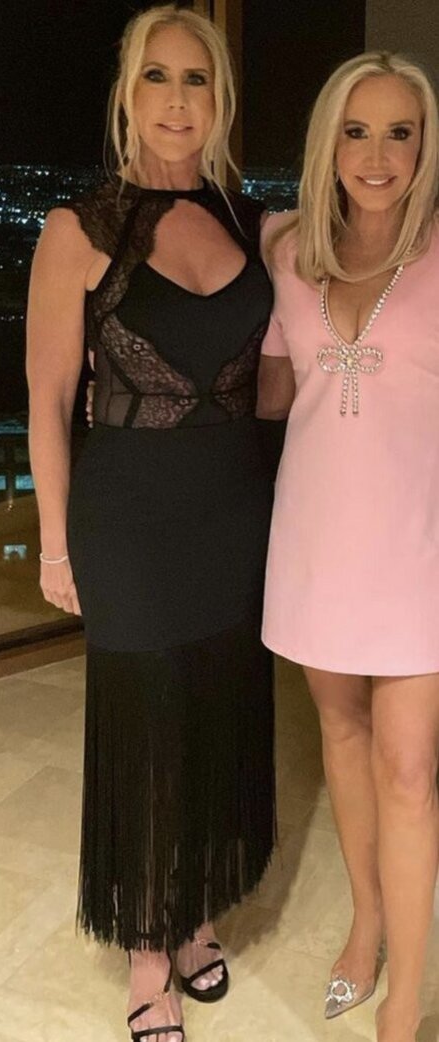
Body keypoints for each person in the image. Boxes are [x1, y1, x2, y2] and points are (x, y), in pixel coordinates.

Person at [26, 6, 281, 1041]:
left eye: (197, 79)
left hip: (236, 510)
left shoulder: (249, 219)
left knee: (218, 706)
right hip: (127, 516)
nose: (178, 101)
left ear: (221, 98)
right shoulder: (79, 228)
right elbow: (49, 398)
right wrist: (53, 542)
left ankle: (196, 907)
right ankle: (146, 944)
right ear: (127, 93)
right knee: (146, 723)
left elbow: (278, 378)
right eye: (158, 77)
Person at [257, 51, 439, 1042]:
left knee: (409, 770)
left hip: (419, 547)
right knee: (343, 737)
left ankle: (405, 998)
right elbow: (273, 393)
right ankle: (366, 923)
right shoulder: (287, 248)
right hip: (317, 538)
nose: (376, 155)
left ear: (425, 146)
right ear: (328, 144)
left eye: (399, 133)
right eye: (357, 132)